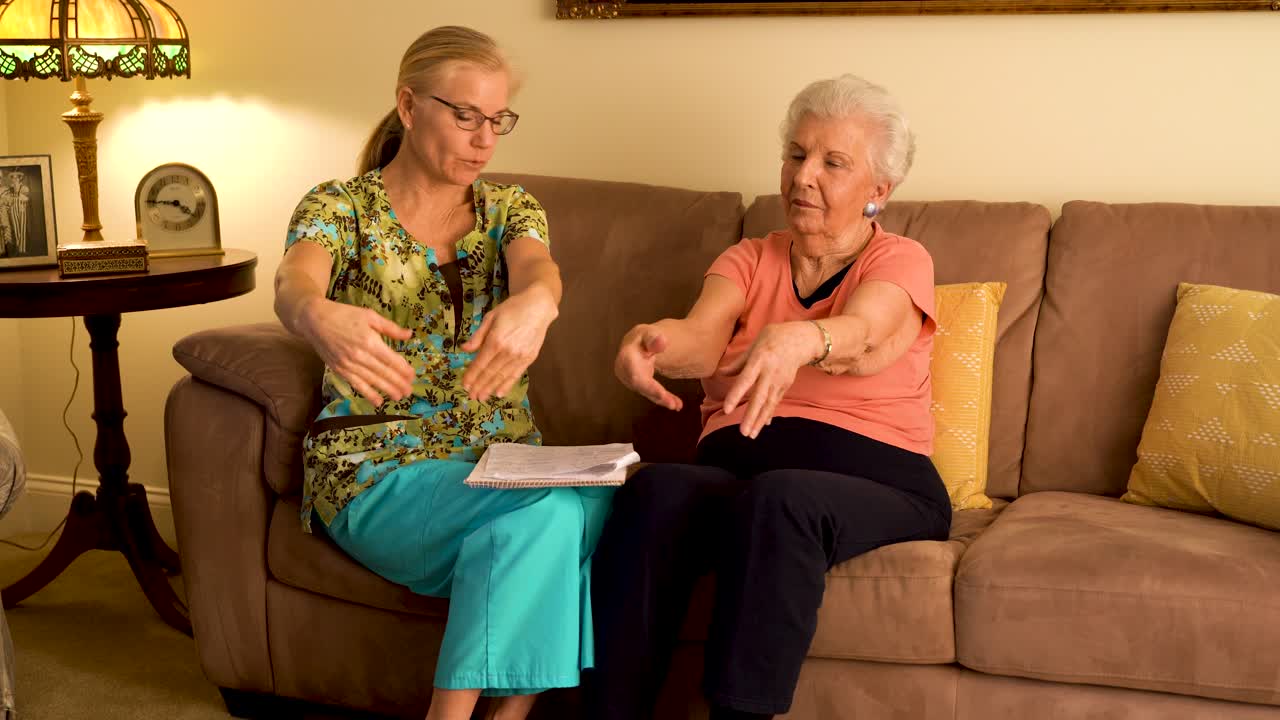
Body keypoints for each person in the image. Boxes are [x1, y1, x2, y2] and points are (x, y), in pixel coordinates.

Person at [586, 75, 952, 720]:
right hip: (737, 470)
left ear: (879, 191)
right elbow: (699, 339)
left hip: (879, 478)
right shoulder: (750, 257)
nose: (803, 176)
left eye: (833, 163)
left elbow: (867, 330)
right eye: (796, 154)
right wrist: (651, 344)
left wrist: (801, 340)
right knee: (657, 487)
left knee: (783, 497)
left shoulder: (901, 259)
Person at [273, 26, 612, 720]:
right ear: (407, 106)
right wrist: (315, 314)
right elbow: (294, 277)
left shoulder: (510, 208)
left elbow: (537, 268)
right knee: (546, 515)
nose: (484, 139)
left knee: (597, 501)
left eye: (497, 120)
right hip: (378, 465)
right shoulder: (342, 207)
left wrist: (539, 303)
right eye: (465, 116)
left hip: (501, 462)